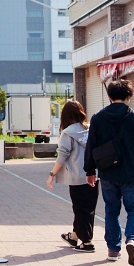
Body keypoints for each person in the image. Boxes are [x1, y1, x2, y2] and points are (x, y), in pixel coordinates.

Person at [83, 77, 134, 266]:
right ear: (129, 96)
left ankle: (113, 250)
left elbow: (91, 146)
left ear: (109, 96)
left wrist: (90, 171)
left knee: (111, 211)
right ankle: (132, 240)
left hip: (107, 173)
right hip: (131, 173)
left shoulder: (97, 118)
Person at [46, 99, 96, 251]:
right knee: (88, 208)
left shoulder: (68, 133)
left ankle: (87, 242)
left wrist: (52, 174)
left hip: (76, 177)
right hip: (93, 174)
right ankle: (74, 236)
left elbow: (62, 155)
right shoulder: (91, 130)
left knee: (80, 209)